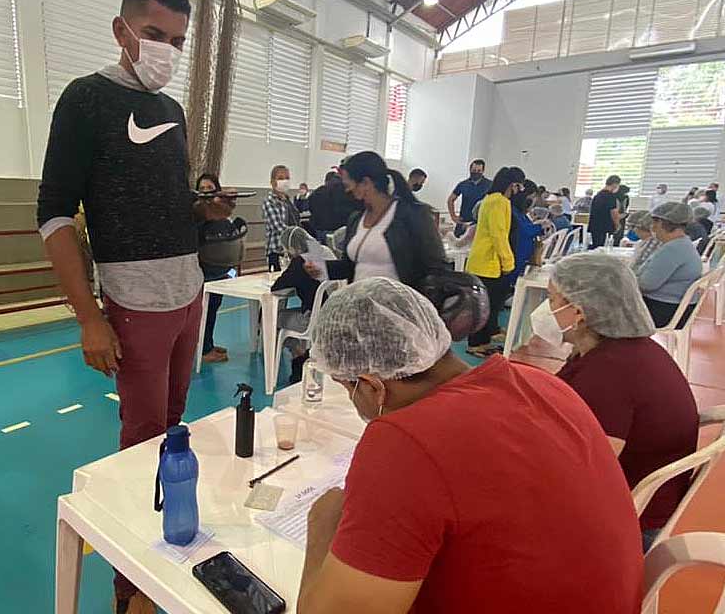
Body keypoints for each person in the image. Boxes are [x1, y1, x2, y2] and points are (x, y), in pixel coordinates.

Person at [33, 0, 222, 612]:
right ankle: (130, 589)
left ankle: (163, 558)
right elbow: (55, 215)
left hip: (187, 292)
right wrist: (89, 318)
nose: (165, 50)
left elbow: (161, 204)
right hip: (134, 303)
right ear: (122, 31)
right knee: (140, 444)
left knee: (172, 435)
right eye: (154, 36)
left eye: (177, 41)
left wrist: (201, 210)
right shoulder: (85, 99)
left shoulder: (171, 110)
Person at [297, 278, 642, 614]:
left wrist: (322, 523)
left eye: (347, 388)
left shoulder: (403, 443)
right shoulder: (539, 382)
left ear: (373, 385)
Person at [542, 253, 698, 550]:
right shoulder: (625, 349)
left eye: (551, 299)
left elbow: (585, 468)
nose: (546, 310)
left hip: (630, 519)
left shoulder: (608, 374)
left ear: (578, 312)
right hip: (653, 499)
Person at [311, 152, 446, 291]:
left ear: (366, 183)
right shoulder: (356, 219)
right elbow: (349, 267)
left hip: (399, 306)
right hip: (360, 303)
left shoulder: (413, 215)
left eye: (349, 185)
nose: (347, 190)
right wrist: (321, 268)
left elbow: (437, 269)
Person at [465, 167, 525, 357]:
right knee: (486, 307)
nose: (520, 191)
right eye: (519, 186)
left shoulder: (490, 199)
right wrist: (508, 263)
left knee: (486, 305)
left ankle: (486, 337)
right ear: (512, 185)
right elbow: (499, 235)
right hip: (489, 264)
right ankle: (476, 344)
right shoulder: (500, 202)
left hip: (482, 262)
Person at [271, 226, 336, 383]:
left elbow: (277, 289)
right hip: (334, 314)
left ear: (292, 247)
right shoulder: (324, 251)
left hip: (313, 319)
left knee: (270, 318)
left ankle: (297, 354)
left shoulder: (301, 261)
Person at [195, 174, 245, 364]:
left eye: (210, 187)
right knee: (205, 310)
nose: (206, 191)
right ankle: (204, 349)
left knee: (214, 308)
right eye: (203, 188)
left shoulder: (221, 212)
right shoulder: (199, 215)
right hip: (204, 271)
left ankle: (208, 343)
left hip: (221, 272)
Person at [638, 202, 703, 328]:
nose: (653, 228)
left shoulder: (673, 249)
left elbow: (646, 285)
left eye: (654, 223)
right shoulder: (683, 244)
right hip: (675, 306)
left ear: (662, 224)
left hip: (664, 310)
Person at [506, 180, 547, 290]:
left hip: (523, 255)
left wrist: (540, 228)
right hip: (516, 253)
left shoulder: (520, 213)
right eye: (531, 198)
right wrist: (539, 227)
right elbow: (525, 230)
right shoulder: (511, 210)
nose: (532, 201)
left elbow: (528, 227)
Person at [262, 165, 300, 271]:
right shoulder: (270, 201)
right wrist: (298, 236)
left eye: (287, 178)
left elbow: (296, 221)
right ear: (273, 182)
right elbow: (278, 227)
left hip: (292, 251)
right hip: (277, 251)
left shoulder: (287, 200)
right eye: (281, 178)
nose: (285, 181)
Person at [308, 171, 360, 243]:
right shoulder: (347, 192)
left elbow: (310, 207)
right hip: (340, 231)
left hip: (320, 229)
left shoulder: (317, 192)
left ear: (326, 180)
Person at [446, 159, 490, 235]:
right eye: (474, 170)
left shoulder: (489, 185)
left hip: (480, 224)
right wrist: (453, 216)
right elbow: (450, 199)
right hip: (463, 221)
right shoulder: (463, 184)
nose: (476, 172)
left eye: (479, 170)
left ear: (483, 171)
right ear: (470, 170)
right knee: (457, 245)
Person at [587, 175, 622, 249]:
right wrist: (617, 225)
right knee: (602, 248)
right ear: (615, 184)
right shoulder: (610, 197)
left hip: (595, 225)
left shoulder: (597, 195)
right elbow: (614, 213)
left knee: (596, 246)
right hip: (605, 227)